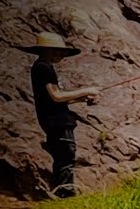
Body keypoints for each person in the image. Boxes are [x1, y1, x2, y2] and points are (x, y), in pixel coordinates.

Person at [22, 32, 99, 198]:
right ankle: (65, 194)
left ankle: (65, 192)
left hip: (54, 119)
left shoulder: (42, 67)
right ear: (48, 51)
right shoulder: (43, 67)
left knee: (64, 156)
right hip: (57, 121)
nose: (61, 55)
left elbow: (55, 100)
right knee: (65, 157)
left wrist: (81, 99)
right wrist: (87, 89)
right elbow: (56, 96)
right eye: (58, 51)